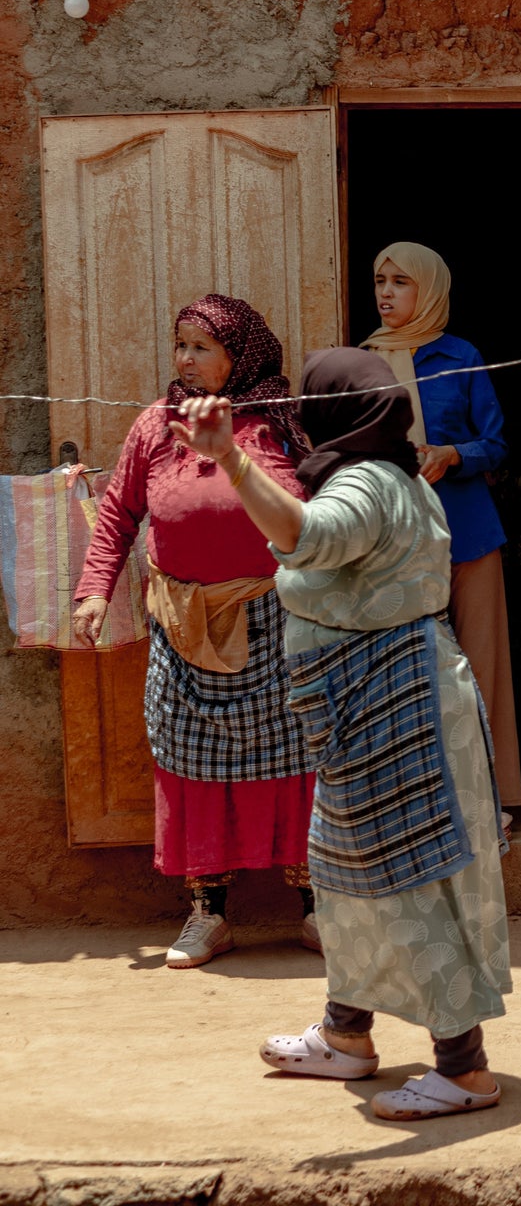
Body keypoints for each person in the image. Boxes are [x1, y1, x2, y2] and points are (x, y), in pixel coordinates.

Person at [172, 349, 511, 1119]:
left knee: (406, 875)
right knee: (346, 874)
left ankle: (465, 1068)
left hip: (396, 712)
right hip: (379, 705)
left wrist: (228, 457)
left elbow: (306, 535)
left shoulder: (364, 483)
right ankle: (346, 1035)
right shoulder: (399, 475)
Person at [71, 296, 316, 968]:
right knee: (190, 761)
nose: (184, 359)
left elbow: (324, 513)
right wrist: (94, 591)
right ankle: (208, 914)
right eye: (179, 345)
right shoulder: (157, 423)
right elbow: (119, 513)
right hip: (181, 627)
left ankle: (318, 908)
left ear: (243, 355)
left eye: (201, 347)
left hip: (278, 620)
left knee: (300, 757)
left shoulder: (280, 423)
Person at [362, 241, 521, 812]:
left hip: (470, 533)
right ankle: (415, 804)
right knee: (402, 667)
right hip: (392, 540)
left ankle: (487, 801)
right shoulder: (364, 364)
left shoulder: (462, 357)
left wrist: (453, 453)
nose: (386, 291)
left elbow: (496, 443)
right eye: (381, 279)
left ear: (429, 290)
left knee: (479, 667)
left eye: (401, 282)